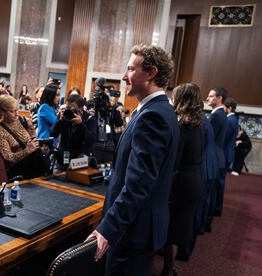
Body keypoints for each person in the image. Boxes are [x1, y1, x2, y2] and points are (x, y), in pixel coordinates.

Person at [86, 45, 179, 276]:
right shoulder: (157, 110)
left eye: (130, 69)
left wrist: (108, 228)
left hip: (132, 230)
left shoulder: (153, 116)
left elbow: (139, 184)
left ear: (151, 73)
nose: (124, 76)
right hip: (139, 226)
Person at [161, 83, 203, 276]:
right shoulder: (199, 124)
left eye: (175, 97)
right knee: (179, 227)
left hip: (181, 181)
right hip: (194, 179)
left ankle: (168, 270)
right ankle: (171, 268)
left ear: (182, 99)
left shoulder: (182, 126)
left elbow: (173, 160)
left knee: (171, 229)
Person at [0, 96, 49, 179]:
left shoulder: (25, 120)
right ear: (2, 112)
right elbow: (8, 158)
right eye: (12, 111)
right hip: (16, 172)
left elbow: (34, 139)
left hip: (34, 165)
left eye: (17, 110)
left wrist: (41, 147)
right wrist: (27, 151)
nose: (17, 114)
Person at [51, 94, 97, 169]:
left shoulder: (90, 119)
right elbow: (52, 134)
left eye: (73, 109)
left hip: (79, 163)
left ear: (81, 109)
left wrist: (80, 124)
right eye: (67, 108)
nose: (69, 111)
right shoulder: (64, 116)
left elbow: (90, 141)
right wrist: (60, 121)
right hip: (62, 161)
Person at [206, 87, 228, 218]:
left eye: (211, 96)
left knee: (210, 191)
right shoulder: (222, 114)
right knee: (214, 190)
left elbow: (209, 139)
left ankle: (207, 220)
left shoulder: (216, 116)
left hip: (213, 156)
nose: (207, 98)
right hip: (218, 155)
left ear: (219, 98)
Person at [223, 98, 239, 171]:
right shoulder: (234, 119)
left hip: (225, 153)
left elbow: (225, 138)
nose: (223, 109)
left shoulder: (229, 120)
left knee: (219, 179)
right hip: (228, 153)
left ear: (229, 108)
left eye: (224, 107)